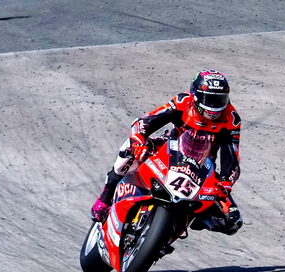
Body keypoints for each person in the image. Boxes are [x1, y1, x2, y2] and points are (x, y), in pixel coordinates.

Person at [89, 70, 243, 234]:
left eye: (219, 100)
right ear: (195, 96)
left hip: (202, 166)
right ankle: (106, 195)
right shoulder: (183, 102)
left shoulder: (231, 119)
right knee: (128, 149)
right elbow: (147, 121)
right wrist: (139, 141)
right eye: (209, 100)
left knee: (233, 221)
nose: (214, 106)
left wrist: (225, 183)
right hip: (170, 149)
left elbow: (232, 157)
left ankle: (185, 222)